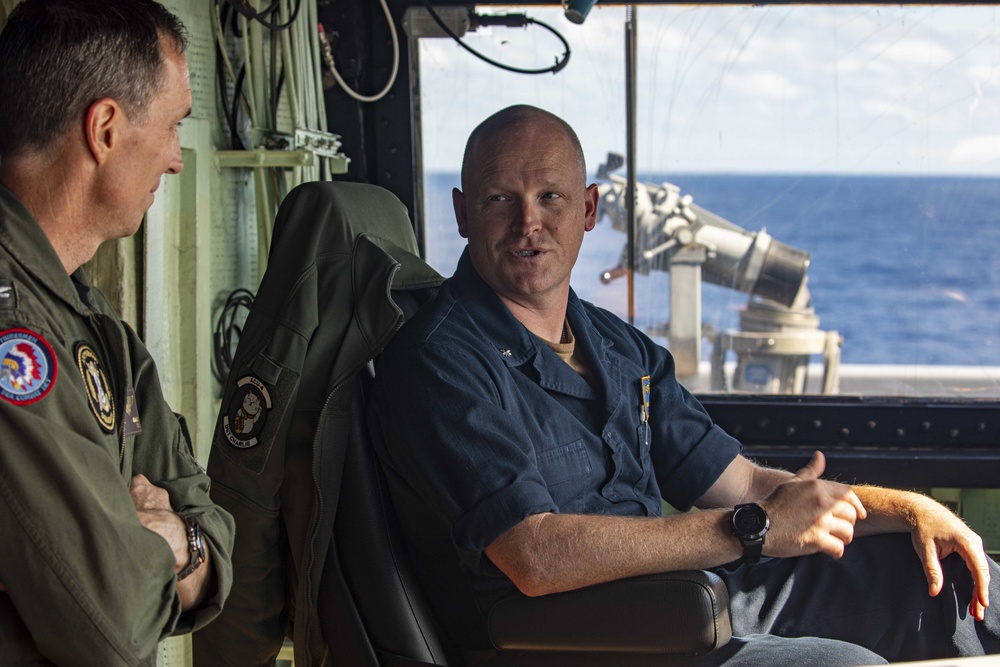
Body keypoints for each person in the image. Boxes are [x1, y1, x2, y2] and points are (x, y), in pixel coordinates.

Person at [368, 104, 1000, 666]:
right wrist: (751, 530)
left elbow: (746, 484)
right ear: (462, 212)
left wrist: (907, 509)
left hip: (687, 598)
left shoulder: (618, 346)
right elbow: (533, 556)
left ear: (587, 210)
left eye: (551, 198)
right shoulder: (440, 363)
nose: (528, 222)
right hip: (578, 640)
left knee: (954, 583)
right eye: (500, 199)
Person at [0, 1, 235, 665]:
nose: (175, 159)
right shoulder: (13, 331)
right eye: (172, 127)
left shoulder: (97, 328)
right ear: (105, 128)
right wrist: (173, 547)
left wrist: (175, 541)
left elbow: (214, 531)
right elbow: (108, 619)